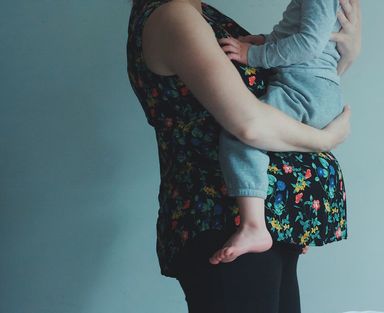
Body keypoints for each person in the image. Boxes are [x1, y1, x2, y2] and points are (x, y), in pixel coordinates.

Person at [126, 0, 361, 312]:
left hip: (263, 224)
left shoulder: (205, 15)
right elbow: (249, 125)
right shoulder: (175, 16)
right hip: (223, 221)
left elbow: (299, 74)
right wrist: (326, 139)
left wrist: (346, 53)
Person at [212, 0, 347, 265]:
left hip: (304, 87)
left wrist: (253, 55)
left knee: (242, 135)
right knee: (285, 155)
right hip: (319, 88)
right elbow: (298, 34)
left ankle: (253, 227)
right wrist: (263, 40)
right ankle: (298, 226)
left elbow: (308, 44)